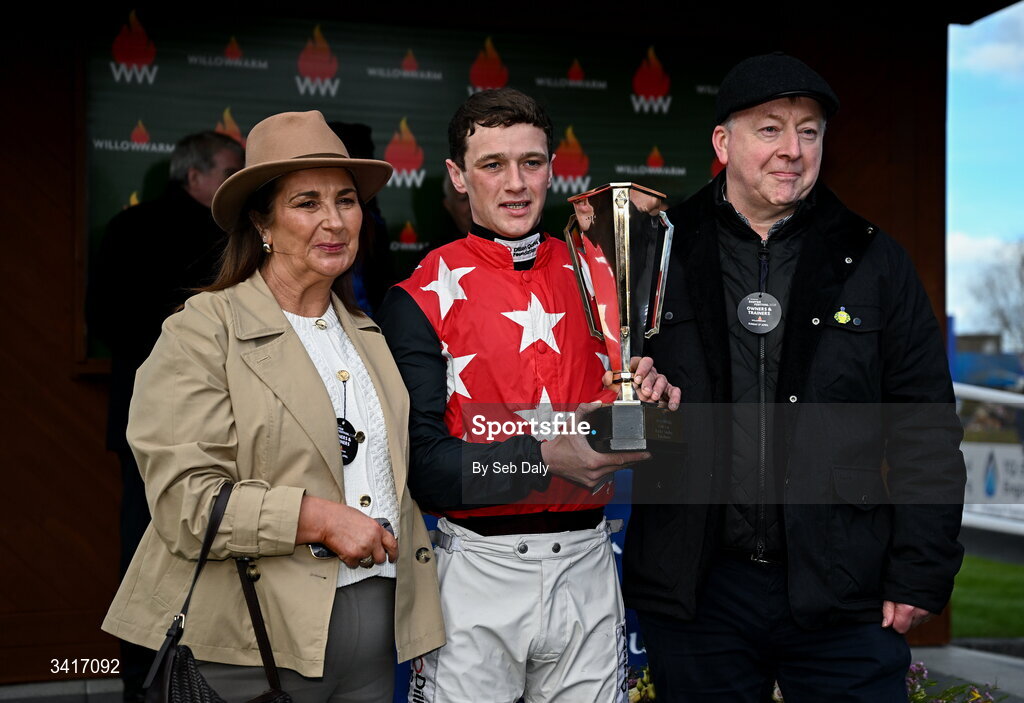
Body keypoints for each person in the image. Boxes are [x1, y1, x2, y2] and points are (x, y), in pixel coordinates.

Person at [623, 53, 966, 701]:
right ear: (724, 142)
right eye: (771, 128)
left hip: (843, 588)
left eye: (809, 130)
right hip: (698, 591)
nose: (793, 149)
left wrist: (920, 570)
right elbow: (594, 385)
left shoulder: (872, 258)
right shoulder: (657, 247)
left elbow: (925, 426)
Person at [102, 110, 445, 703]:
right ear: (261, 221)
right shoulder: (203, 331)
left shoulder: (367, 335)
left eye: (346, 200)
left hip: (373, 646)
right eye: (307, 203)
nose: (334, 221)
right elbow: (188, 503)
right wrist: (320, 518)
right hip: (248, 648)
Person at [377, 88, 678, 703]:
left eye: (532, 163)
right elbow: (426, 471)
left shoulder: (602, 271)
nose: (516, 184)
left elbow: (647, 438)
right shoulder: (417, 294)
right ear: (458, 177)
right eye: (493, 165)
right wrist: (543, 457)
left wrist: (653, 409)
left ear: (552, 168)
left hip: (589, 561)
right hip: (478, 568)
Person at [87, 129, 243, 700]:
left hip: (141, 418)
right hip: (212, 414)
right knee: (193, 541)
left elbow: (104, 321)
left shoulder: (131, 227)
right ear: (194, 176)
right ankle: (185, 679)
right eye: (230, 169)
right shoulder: (226, 236)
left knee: (147, 544)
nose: (236, 182)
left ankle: (144, 681)